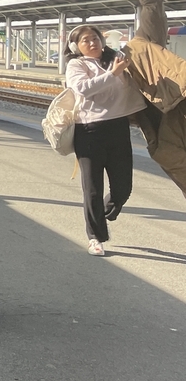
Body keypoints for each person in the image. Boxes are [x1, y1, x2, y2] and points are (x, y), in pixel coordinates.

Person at [64, 24, 146, 256]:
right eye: (86, 40)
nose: (92, 43)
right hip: (89, 129)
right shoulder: (76, 65)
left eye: (95, 38)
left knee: (123, 188)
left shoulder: (116, 60)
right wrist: (113, 74)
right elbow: (82, 88)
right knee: (92, 188)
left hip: (118, 127)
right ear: (76, 47)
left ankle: (102, 213)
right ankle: (95, 237)